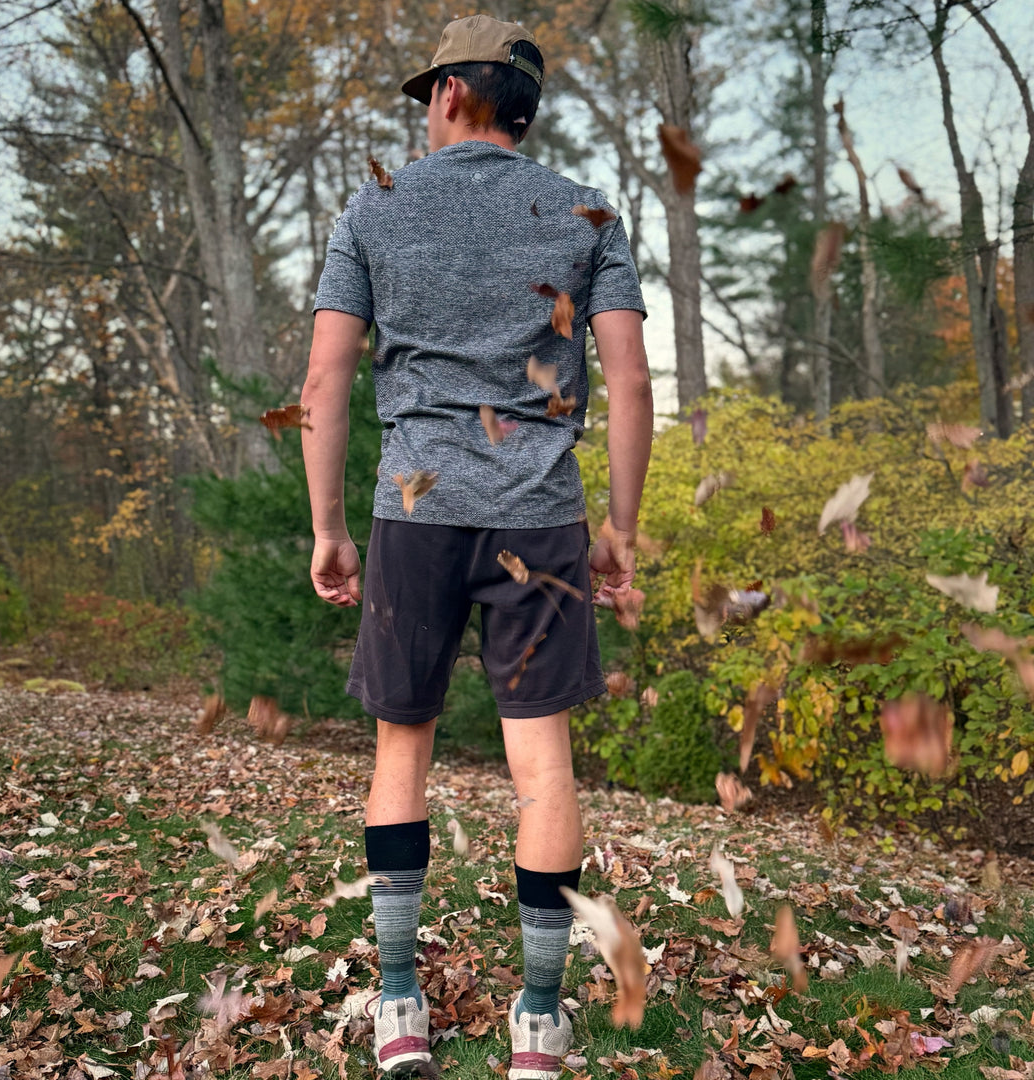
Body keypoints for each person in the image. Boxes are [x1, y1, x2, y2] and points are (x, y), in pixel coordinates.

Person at [301, 13, 652, 1078]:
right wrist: (621, 526)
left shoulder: (374, 209)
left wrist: (329, 529)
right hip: (538, 515)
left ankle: (398, 1002)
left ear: (452, 92)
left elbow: (324, 381)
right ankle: (537, 1019)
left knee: (400, 749)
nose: (423, 116)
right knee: (541, 762)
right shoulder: (588, 212)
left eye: (427, 98)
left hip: (413, 518)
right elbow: (632, 380)